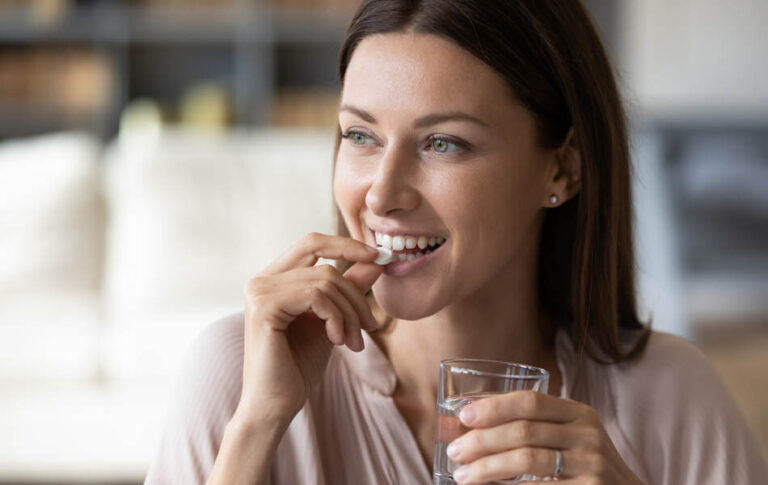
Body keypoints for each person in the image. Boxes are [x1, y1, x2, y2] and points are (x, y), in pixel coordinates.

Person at [145, 1, 768, 484]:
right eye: (360, 136)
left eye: (443, 143)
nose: (381, 194)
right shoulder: (241, 375)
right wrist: (256, 428)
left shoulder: (674, 396)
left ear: (562, 170)